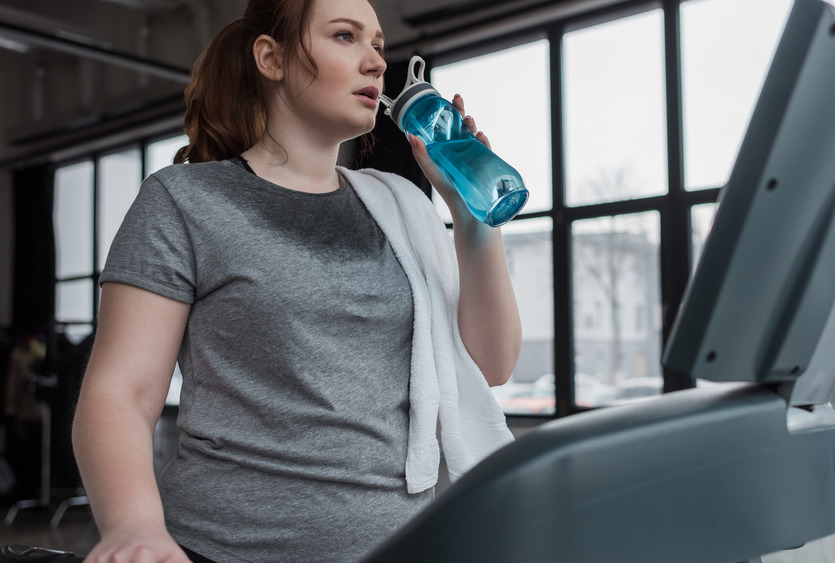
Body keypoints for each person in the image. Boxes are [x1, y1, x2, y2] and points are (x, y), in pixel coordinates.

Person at [71, 0, 522, 561]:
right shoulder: (185, 201)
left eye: (378, 44)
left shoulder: (402, 208)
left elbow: (491, 367)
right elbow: (122, 392)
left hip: (404, 545)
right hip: (223, 549)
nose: (376, 63)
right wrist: (133, 526)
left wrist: (473, 217)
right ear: (271, 58)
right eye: (344, 36)